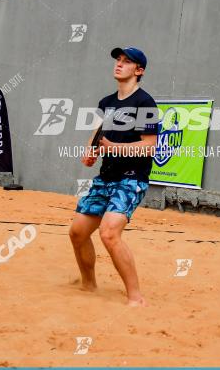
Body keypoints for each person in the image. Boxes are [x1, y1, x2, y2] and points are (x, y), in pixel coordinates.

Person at [68, 46, 159, 307]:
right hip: (106, 178)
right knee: (77, 233)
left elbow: (150, 145)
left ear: (138, 70)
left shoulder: (144, 103)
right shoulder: (106, 103)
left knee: (108, 233)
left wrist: (113, 147)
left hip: (131, 179)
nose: (119, 64)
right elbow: (98, 132)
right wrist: (90, 151)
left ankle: (135, 298)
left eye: (126, 62)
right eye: (118, 60)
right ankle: (88, 285)